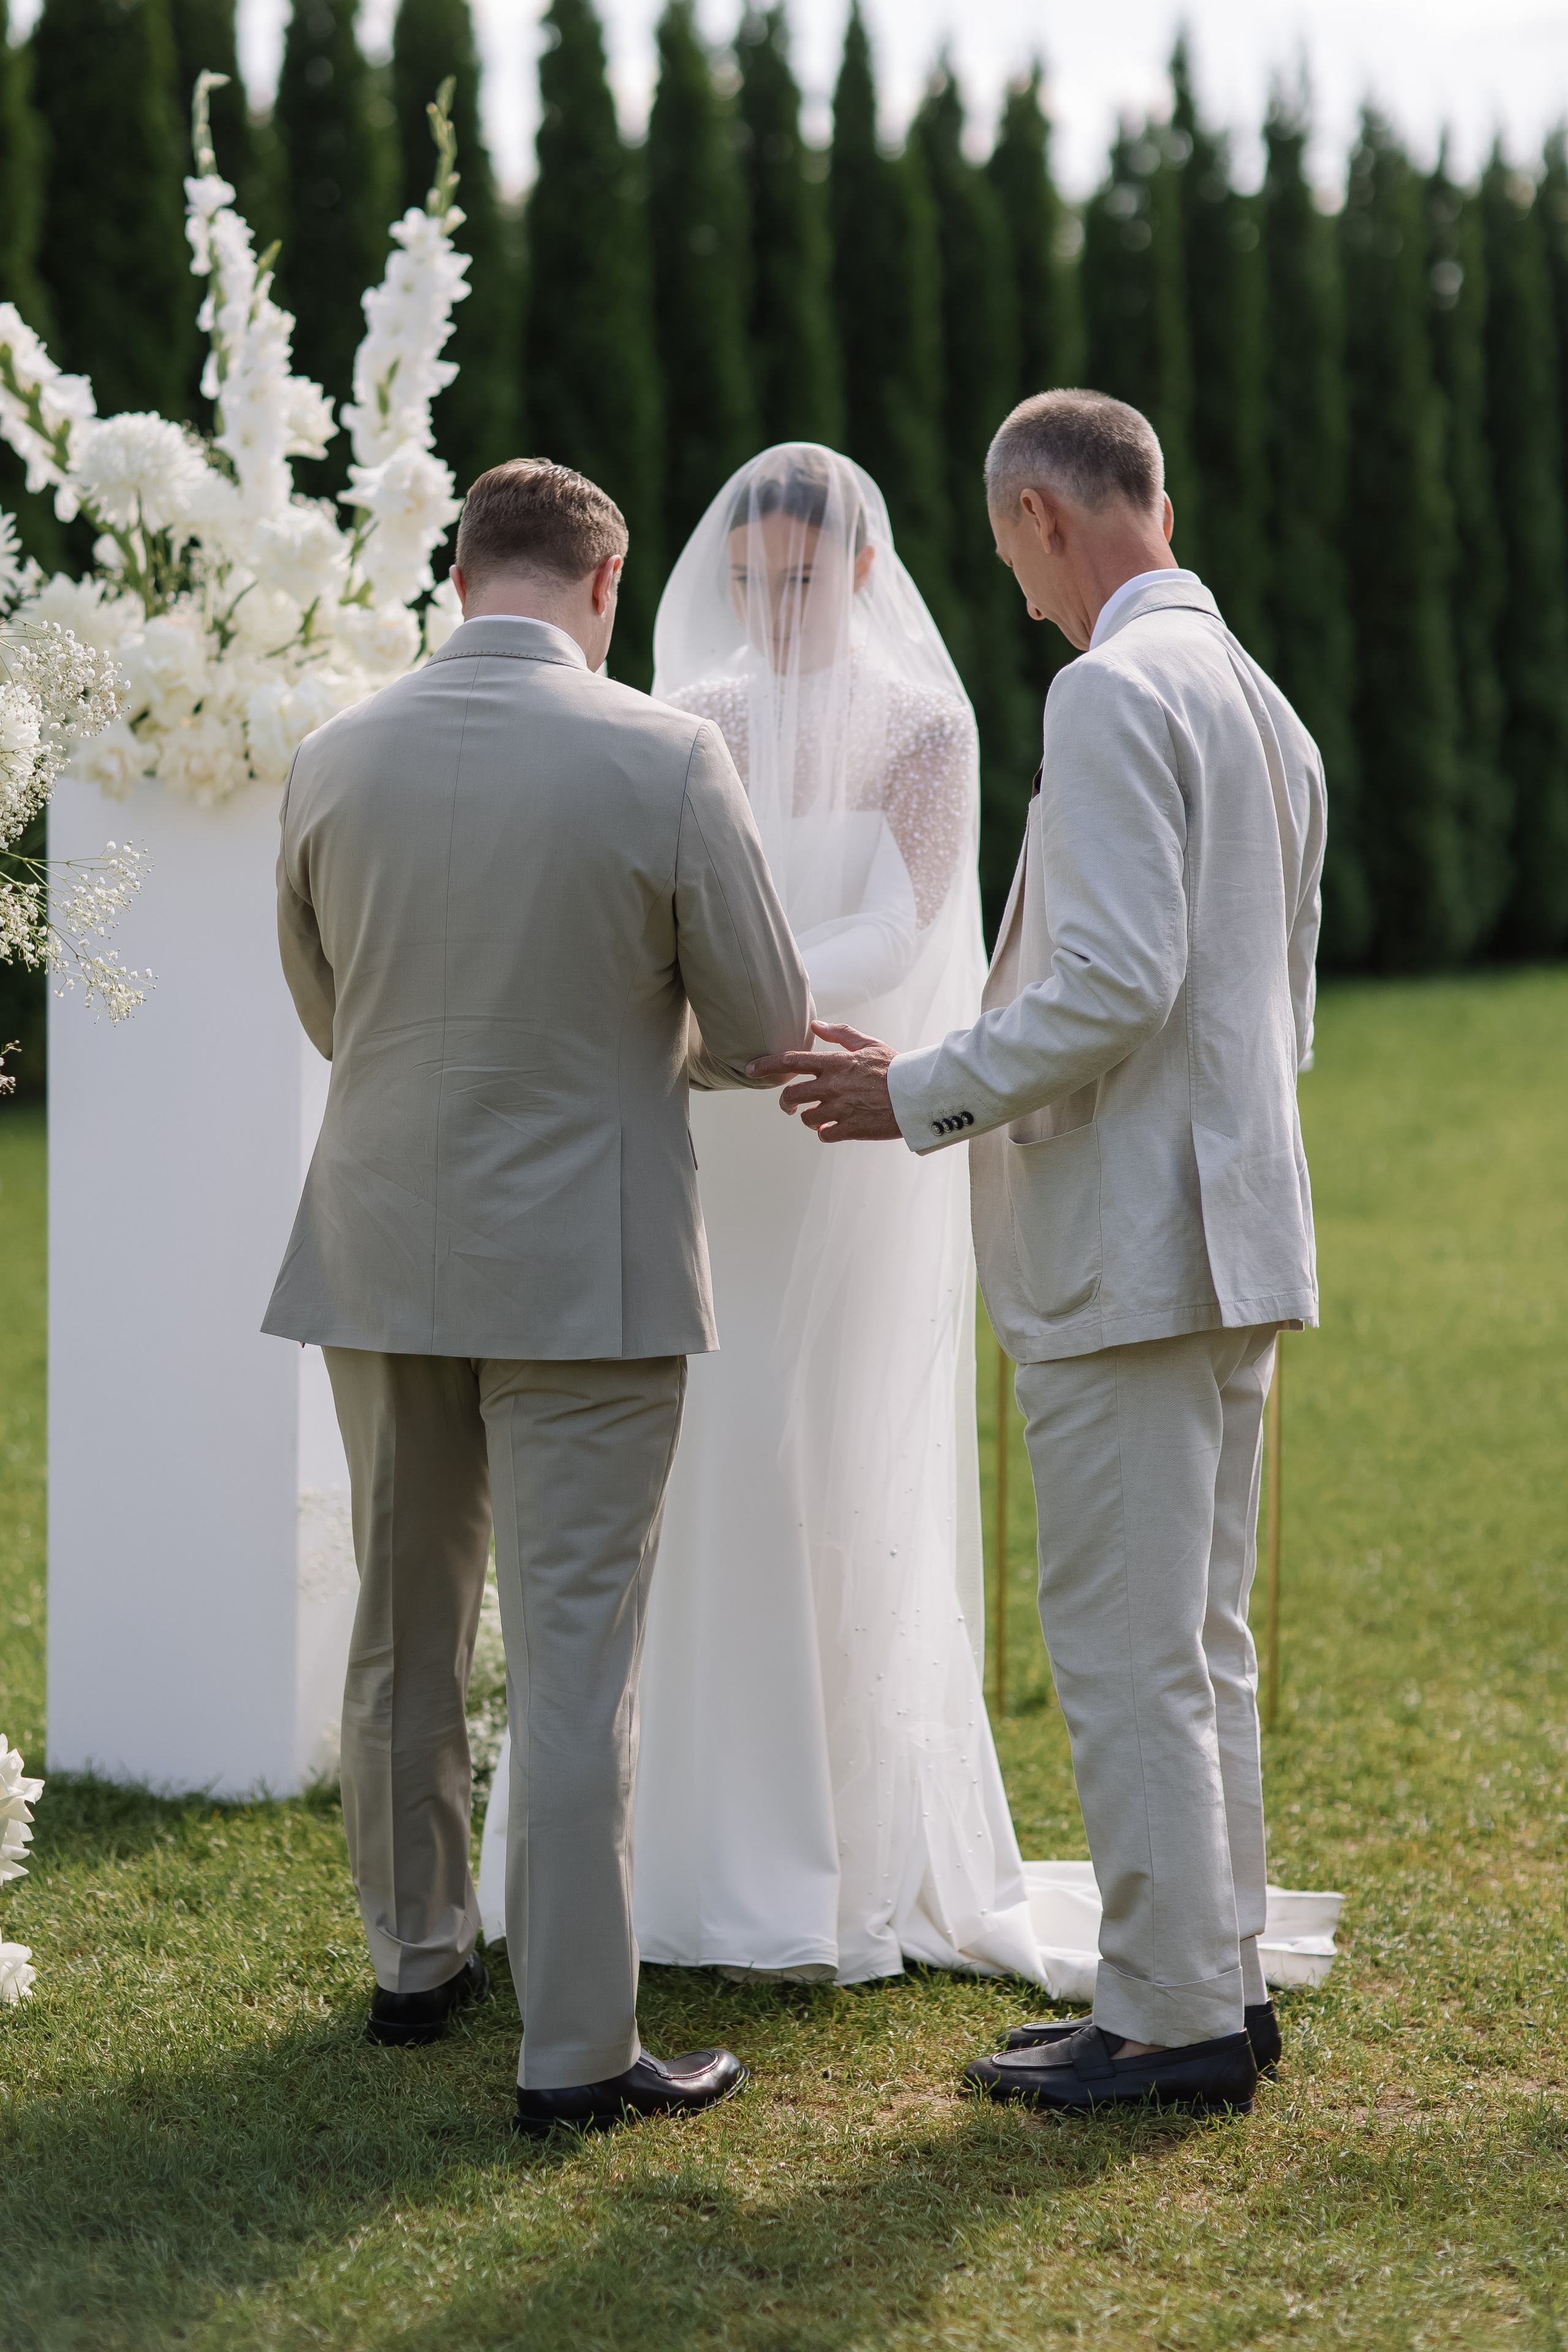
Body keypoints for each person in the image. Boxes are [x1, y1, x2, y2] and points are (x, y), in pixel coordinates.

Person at [753, 391, 1325, 2116]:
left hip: (1130, 1241)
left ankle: (1166, 2019)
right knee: (1197, 1642)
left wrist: (915, 1090)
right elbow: (1273, 997)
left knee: (1130, 1649)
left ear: (1039, 517)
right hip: (1236, 1232)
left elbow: (1119, 979)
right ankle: (1212, 1979)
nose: (1010, 590)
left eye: (1007, 553)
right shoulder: (1259, 696)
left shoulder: (1111, 688)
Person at [262, 459, 812, 2136]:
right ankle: (575, 2049)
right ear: (604, 583)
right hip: (591, 1261)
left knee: (401, 1622)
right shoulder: (665, 754)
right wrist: (643, 1039)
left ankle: (416, 1961)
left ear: (456, 577)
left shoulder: (332, 755)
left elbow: (329, 1010)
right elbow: (767, 1021)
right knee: (575, 1657)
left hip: (381, 1245)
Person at [480, 443, 1049, 1987]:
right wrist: (713, 1016)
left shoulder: (924, 724)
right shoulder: (698, 718)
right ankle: (652, 1845)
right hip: (710, 1136)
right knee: (696, 1447)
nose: (770, 607)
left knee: (820, 1450)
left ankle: (824, 1847)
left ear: (856, 570)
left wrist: (754, 1011)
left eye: (795, 581)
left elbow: (904, 920)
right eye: (747, 583)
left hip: (825, 1120)